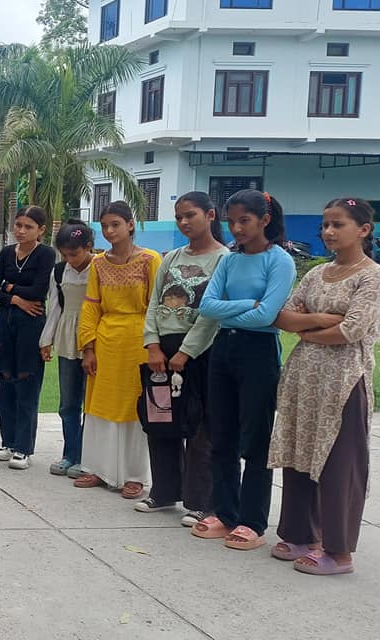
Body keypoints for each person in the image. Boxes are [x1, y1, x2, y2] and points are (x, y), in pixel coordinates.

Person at [270, 197, 380, 575]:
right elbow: (284, 317)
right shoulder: (316, 273)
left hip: (344, 381)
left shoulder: (373, 276)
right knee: (299, 452)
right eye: (325, 225)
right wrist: (322, 320)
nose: (328, 232)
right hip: (304, 378)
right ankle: (301, 534)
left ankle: (338, 551)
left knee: (339, 462)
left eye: (338, 224)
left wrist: (308, 329)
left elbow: (352, 329)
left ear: (363, 229)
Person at [192, 189, 296, 551]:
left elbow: (267, 316)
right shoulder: (230, 260)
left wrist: (236, 309)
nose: (237, 228)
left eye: (245, 221)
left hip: (258, 352)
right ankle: (225, 512)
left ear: (264, 220)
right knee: (222, 436)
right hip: (223, 349)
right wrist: (248, 303)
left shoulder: (279, 261)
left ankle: (252, 520)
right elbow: (207, 306)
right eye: (232, 221)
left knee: (255, 439)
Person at [138, 192, 228, 523]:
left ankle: (199, 501)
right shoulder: (172, 258)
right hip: (162, 350)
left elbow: (211, 314)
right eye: (179, 217)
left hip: (202, 352)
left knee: (200, 426)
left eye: (190, 215)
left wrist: (186, 352)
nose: (184, 222)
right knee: (161, 419)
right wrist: (153, 344)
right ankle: (164, 491)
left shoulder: (223, 259)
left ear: (210, 215)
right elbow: (153, 303)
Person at [72, 201, 161, 496]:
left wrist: (155, 344)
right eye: (105, 226)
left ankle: (136, 475)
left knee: (135, 405)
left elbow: (157, 306)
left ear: (130, 225)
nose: (110, 231)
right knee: (100, 403)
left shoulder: (150, 259)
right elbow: (91, 307)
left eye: (116, 224)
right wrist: (88, 347)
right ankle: (98, 468)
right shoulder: (98, 263)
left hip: (139, 340)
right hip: (106, 339)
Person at [0, 206, 57, 469]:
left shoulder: (45, 254)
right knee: (5, 382)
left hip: (31, 323)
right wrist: (15, 298)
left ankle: (23, 448)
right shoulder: (7, 253)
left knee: (26, 382)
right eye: (18, 225)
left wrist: (9, 287)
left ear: (41, 230)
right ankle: (8, 442)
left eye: (28, 227)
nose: (21, 231)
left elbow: (39, 290)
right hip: (7, 320)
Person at [40, 219, 94, 476]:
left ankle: (87, 456)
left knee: (91, 403)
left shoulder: (100, 267)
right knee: (68, 403)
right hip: (67, 336)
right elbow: (55, 306)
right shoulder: (60, 271)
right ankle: (69, 454)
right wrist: (46, 340)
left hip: (93, 336)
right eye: (65, 255)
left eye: (75, 254)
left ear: (89, 246)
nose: (70, 259)